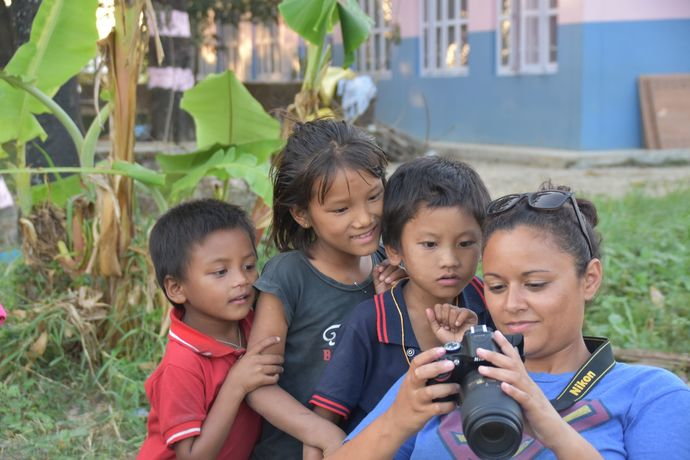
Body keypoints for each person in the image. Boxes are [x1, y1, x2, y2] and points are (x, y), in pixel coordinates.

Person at [327, 184, 690, 459]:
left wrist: (548, 424)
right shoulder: (446, 376)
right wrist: (398, 420)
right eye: (497, 286)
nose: (512, 304)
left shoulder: (649, 393)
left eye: (535, 284)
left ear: (590, 279)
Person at [246, 119, 405, 459]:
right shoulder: (289, 277)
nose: (365, 218)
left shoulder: (390, 267)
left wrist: (390, 305)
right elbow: (257, 385)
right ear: (302, 214)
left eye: (374, 196)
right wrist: (322, 432)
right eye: (341, 209)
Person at [138, 199, 343, 460]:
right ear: (177, 288)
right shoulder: (181, 366)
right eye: (221, 272)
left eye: (248, 266)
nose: (242, 280)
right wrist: (235, 386)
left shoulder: (252, 323)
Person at [309, 156, 493, 436]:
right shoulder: (370, 322)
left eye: (466, 243)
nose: (450, 260)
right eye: (430, 244)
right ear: (394, 250)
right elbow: (324, 419)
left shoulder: (487, 302)